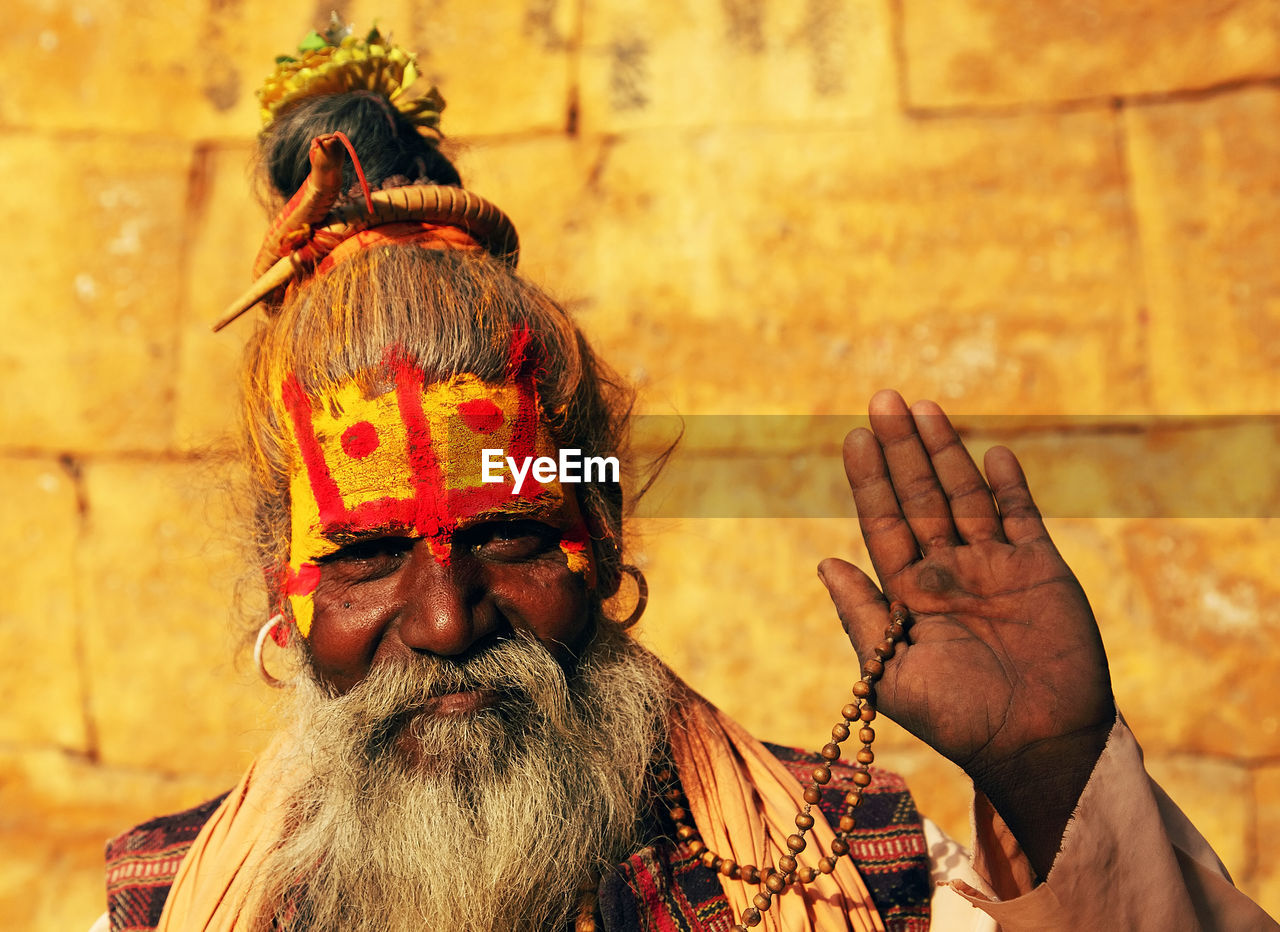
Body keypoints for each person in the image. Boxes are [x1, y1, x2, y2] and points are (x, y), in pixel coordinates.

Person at [95, 23, 1277, 932]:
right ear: (280, 582)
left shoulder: (859, 869)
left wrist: (1048, 779)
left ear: (601, 531)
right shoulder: (160, 900)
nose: (448, 619)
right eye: (364, 552)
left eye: (509, 531)